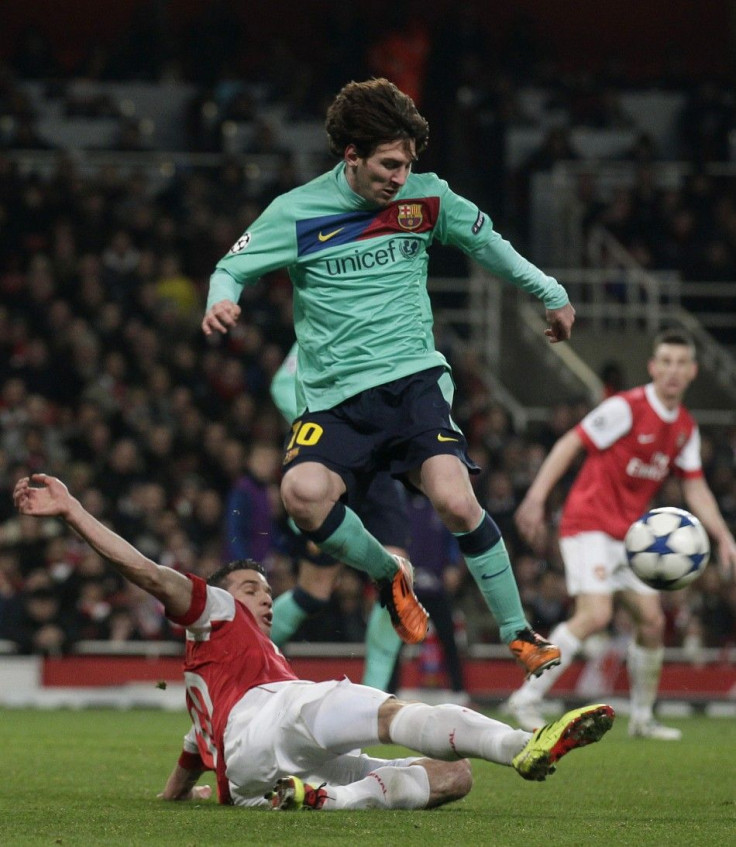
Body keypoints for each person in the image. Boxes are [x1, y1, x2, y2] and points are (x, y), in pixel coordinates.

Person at [201, 77, 576, 678]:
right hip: (335, 400)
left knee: (455, 499)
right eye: (387, 164)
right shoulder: (297, 212)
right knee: (301, 495)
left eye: (407, 164)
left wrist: (550, 292)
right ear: (351, 156)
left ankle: (519, 633)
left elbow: (491, 246)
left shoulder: (426, 200)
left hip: (412, 383)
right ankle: (389, 575)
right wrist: (222, 298)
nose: (399, 177)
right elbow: (233, 265)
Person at [14, 473, 615, 810]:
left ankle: (325, 801)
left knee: (453, 777)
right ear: (222, 594)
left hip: (258, 774)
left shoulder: (214, 681)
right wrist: (72, 511)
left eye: (266, 588)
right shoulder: (216, 612)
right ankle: (522, 745)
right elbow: (147, 571)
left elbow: (186, 768)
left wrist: (186, 798)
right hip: (276, 717)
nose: (265, 595)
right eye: (252, 586)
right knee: (392, 712)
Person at [506, 329, 736, 739]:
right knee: (596, 615)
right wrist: (536, 497)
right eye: (665, 361)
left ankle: (643, 719)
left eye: (681, 363)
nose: (672, 370)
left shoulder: (684, 426)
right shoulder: (626, 408)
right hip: (587, 522)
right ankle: (525, 699)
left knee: (649, 621)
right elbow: (569, 443)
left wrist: (721, 535)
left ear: (693, 371)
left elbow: (695, 486)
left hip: (631, 538)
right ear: (652, 366)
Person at [269, 342, 406, 690]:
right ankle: (247, 656)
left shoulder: (390, 324)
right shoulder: (317, 328)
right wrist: (326, 430)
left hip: (378, 472)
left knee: (399, 574)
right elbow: (283, 386)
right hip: (327, 465)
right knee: (314, 591)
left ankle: (376, 695)